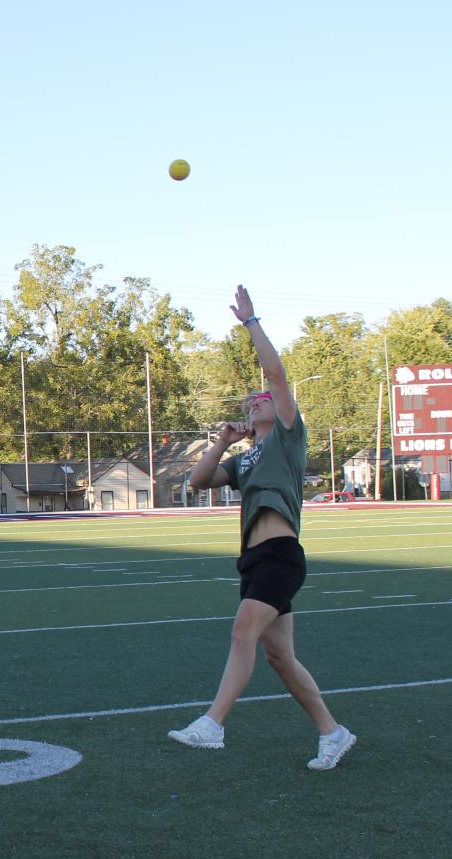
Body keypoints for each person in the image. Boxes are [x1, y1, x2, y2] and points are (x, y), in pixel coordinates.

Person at [167, 285, 356, 771]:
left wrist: (251, 323)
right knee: (280, 658)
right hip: (253, 560)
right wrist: (223, 442)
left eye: (264, 398)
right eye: (252, 401)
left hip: (280, 555)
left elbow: (275, 372)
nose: (257, 400)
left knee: (241, 631)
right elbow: (199, 481)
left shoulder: (290, 437)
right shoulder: (248, 457)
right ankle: (333, 733)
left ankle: (212, 724)